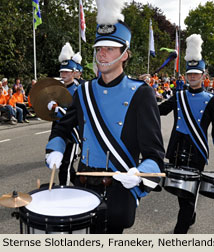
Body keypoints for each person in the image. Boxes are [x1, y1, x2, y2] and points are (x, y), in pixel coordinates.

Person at [45, 0, 164, 234]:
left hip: (119, 189)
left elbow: (155, 154)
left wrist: (140, 174)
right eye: (99, 48)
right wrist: (55, 149)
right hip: (83, 185)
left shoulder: (141, 93)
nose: (102, 54)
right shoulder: (84, 91)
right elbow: (62, 129)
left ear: (125, 54)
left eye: (110, 48)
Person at [158, 34, 214, 234]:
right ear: (186, 75)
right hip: (178, 149)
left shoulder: (212, 100)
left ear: (204, 75)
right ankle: (190, 215)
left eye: (196, 74)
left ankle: (180, 233)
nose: (193, 77)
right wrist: (143, 99)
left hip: (196, 151)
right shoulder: (178, 95)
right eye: (190, 74)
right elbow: (160, 110)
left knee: (189, 194)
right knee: (181, 192)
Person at [47, 42, 80, 186]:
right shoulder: (57, 88)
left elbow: (75, 114)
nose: (63, 74)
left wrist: (57, 109)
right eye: (62, 72)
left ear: (74, 72)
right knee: (62, 164)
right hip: (58, 130)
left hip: (72, 133)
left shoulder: (79, 90)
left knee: (65, 165)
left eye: (67, 72)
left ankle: (64, 192)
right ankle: (80, 185)